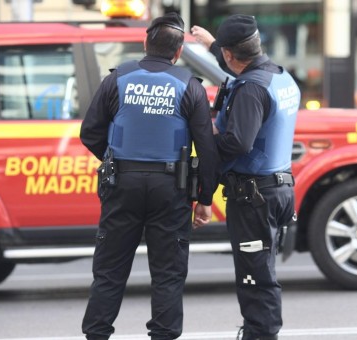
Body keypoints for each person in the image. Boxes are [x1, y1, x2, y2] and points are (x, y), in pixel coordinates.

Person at [80, 12, 219, 340]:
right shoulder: (190, 86)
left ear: (145, 41)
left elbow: (90, 133)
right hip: (171, 188)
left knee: (109, 272)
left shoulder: (117, 78)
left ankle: (96, 334)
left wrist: (116, 161)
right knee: (168, 274)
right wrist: (206, 199)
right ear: (179, 49)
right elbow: (207, 149)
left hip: (121, 185)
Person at [191, 15, 300, 340]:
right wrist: (211, 45)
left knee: (256, 278)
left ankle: (261, 335)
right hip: (276, 190)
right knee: (261, 271)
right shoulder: (278, 77)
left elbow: (237, 143)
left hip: (255, 201)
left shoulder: (251, 90)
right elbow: (238, 70)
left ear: (230, 54)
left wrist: (208, 133)